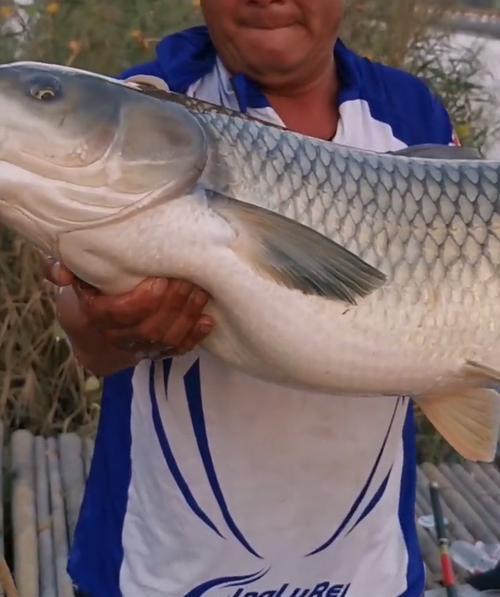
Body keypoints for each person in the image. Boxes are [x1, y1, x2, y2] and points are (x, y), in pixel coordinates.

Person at [47, 1, 460, 595]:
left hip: (368, 569)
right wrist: (109, 325)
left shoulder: (413, 112)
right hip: (162, 568)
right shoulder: (148, 103)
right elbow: (84, 329)